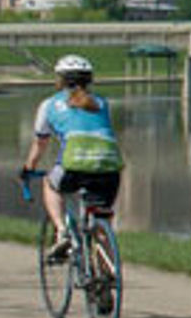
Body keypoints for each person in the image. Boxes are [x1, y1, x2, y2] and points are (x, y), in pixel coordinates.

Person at [21, 54, 123, 267]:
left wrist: (28, 168)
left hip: (74, 166)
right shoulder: (102, 103)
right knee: (102, 225)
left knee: (50, 183)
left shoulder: (49, 105)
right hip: (110, 167)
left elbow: (40, 143)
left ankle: (62, 231)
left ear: (59, 80)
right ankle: (108, 279)